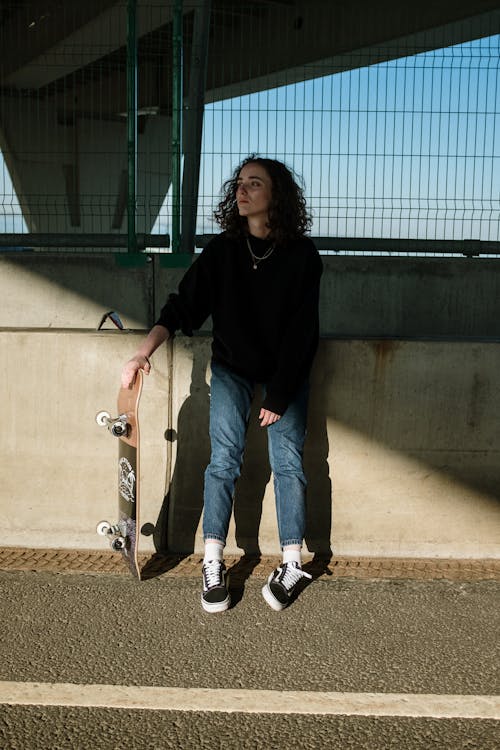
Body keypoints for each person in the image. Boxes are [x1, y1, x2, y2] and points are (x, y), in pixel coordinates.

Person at [122, 155, 323, 613]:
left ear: (277, 196)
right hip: (232, 369)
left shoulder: (302, 256)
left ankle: (293, 561)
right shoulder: (223, 251)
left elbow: (302, 332)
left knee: (288, 461)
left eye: (255, 183)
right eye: (240, 182)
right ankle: (213, 559)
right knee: (223, 460)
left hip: (283, 374)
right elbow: (181, 308)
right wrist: (141, 354)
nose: (242, 190)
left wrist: (281, 393)